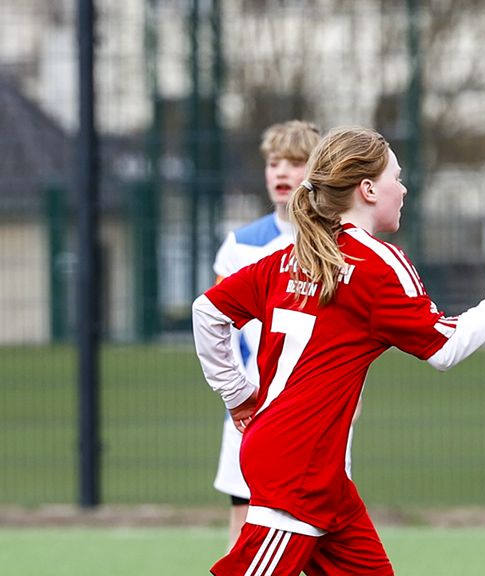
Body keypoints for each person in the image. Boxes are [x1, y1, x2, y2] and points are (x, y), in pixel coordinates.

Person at [192, 125, 485, 576]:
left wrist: (237, 393)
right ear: (369, 189)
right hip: (297, 464)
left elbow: (206, 311)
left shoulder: (292, 255)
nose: (404, 187)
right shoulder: (377, 263)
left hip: (313, 467)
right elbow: (446, 348)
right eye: (398, 176)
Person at [210, 119, 322, 549]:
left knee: (315, 519)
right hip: (252, 407)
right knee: (246, 517)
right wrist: (238, 392)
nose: (281, 172)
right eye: (273, 162)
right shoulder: (242, 245)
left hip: (313, 408)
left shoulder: (335, 242)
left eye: (295, 163)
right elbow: (217, 326)